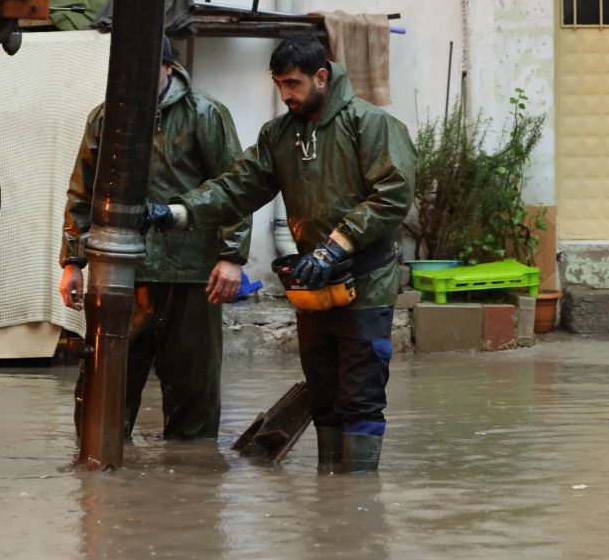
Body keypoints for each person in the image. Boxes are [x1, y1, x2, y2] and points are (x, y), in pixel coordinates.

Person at [146, 34, 414, 473]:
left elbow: (393, 195)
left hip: (365, 283)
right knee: (323, 393)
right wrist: (175, 212)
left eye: (293, 84)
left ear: (321, 77)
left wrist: (334, 247)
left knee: (360, 396)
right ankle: (332, 499)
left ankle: (358, 505)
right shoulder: (279, 136)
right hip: (314, 284)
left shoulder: (372, 125)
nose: (285, 94)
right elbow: (237, 188)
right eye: (279, 85)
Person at [60, 37, 251, 440]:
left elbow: (237, 187)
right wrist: (72, 263)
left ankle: (190, 486)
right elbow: (82, 192)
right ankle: (101, 480)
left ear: (168, 67)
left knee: (193, 396)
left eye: (146, 69)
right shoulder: (105, 117)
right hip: (122, 273)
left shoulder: (205, 113)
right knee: (102, 390)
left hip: (193, 276)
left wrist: (231, 256)